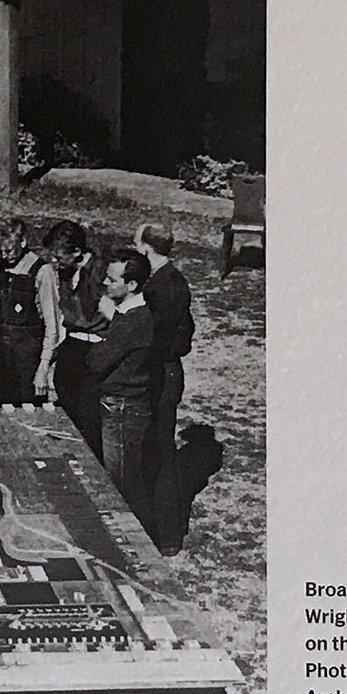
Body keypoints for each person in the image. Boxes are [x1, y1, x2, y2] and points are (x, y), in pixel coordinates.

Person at [83, 250, 156, 527]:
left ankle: (140, 541)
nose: (105, 283)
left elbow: (97, 361)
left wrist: (95, 347)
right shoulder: (129, 316)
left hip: (123, 408)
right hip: (122, 405)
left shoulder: (131, 321)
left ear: (132, 285)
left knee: (122, 483)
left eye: (113, 280)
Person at [136, 222, 196, 551]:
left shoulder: (163, 287)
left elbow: (157, 338)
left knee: (160, 454)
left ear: (147, 248)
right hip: (165, 371)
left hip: (161, 374)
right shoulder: (169, 280)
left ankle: (168, 535)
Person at [0, 217, 58, 406]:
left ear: (22, 242)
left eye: (7, 250)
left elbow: (52, 325)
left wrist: (43, 369)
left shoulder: (42, 271)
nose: (4, 256)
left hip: (27, 360)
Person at [41, 220, 104, 450]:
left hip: (95, 347)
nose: (54, 263)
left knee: (89, 414)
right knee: (65, 402)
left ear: (77, 251)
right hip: (73, 343)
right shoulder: (67, 272)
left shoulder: (100, 272)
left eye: (59, 257)